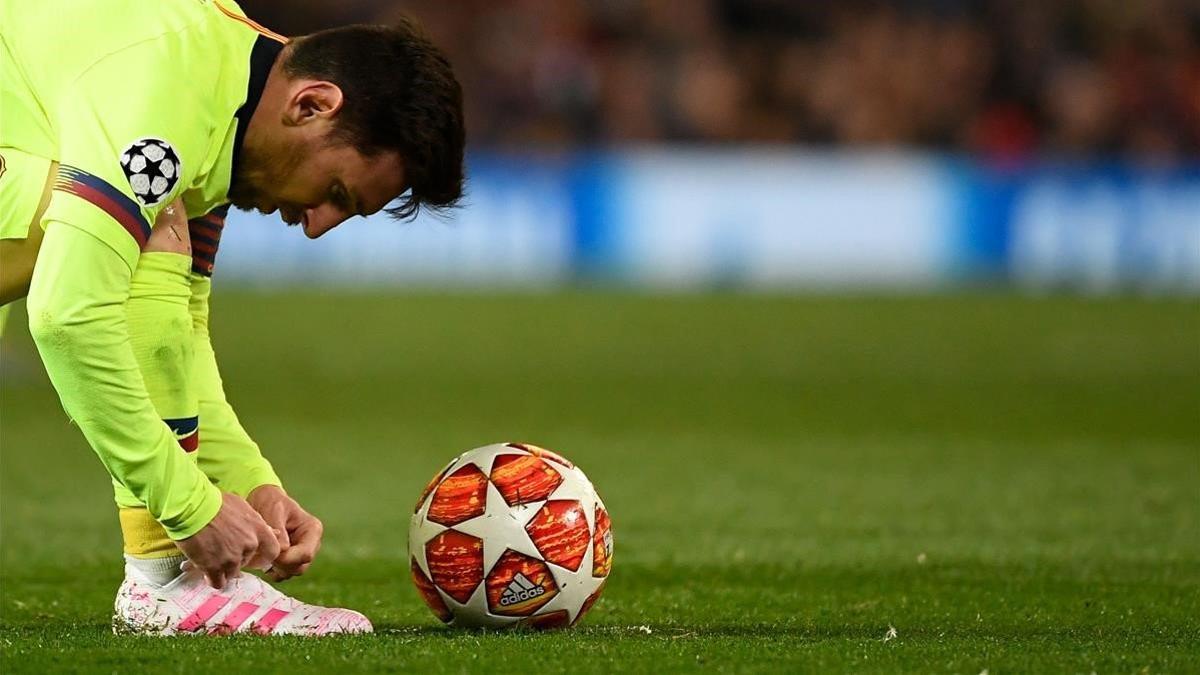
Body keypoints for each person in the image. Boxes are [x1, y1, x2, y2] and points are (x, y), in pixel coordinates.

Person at [0, 0, 464, 635]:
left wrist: (247, 481)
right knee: (143, 235)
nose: (316, 225)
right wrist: (188, 508)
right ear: (311, 105)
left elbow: (173, 331)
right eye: (335, 194)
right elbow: (68, 314)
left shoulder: (221, 91)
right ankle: (164, 583)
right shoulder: (164, 96)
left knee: (145, 240)